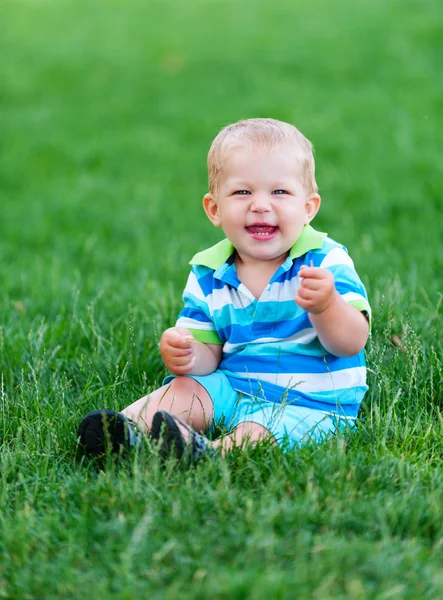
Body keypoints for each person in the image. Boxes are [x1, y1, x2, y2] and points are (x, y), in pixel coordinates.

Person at [78, 118, 371, 461]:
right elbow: (208, 357)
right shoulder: (209, 272)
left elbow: (351, 342)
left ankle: (208, 453)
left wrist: (327, 307)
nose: (260, 205)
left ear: (308, 207)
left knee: (261, 429)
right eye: (242, 192)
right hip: (233, 386)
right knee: (185, 389)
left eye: (279, 192)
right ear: (214, 209)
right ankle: (125, 430)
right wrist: (187, 355)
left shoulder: (325, 262)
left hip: (310, 400)